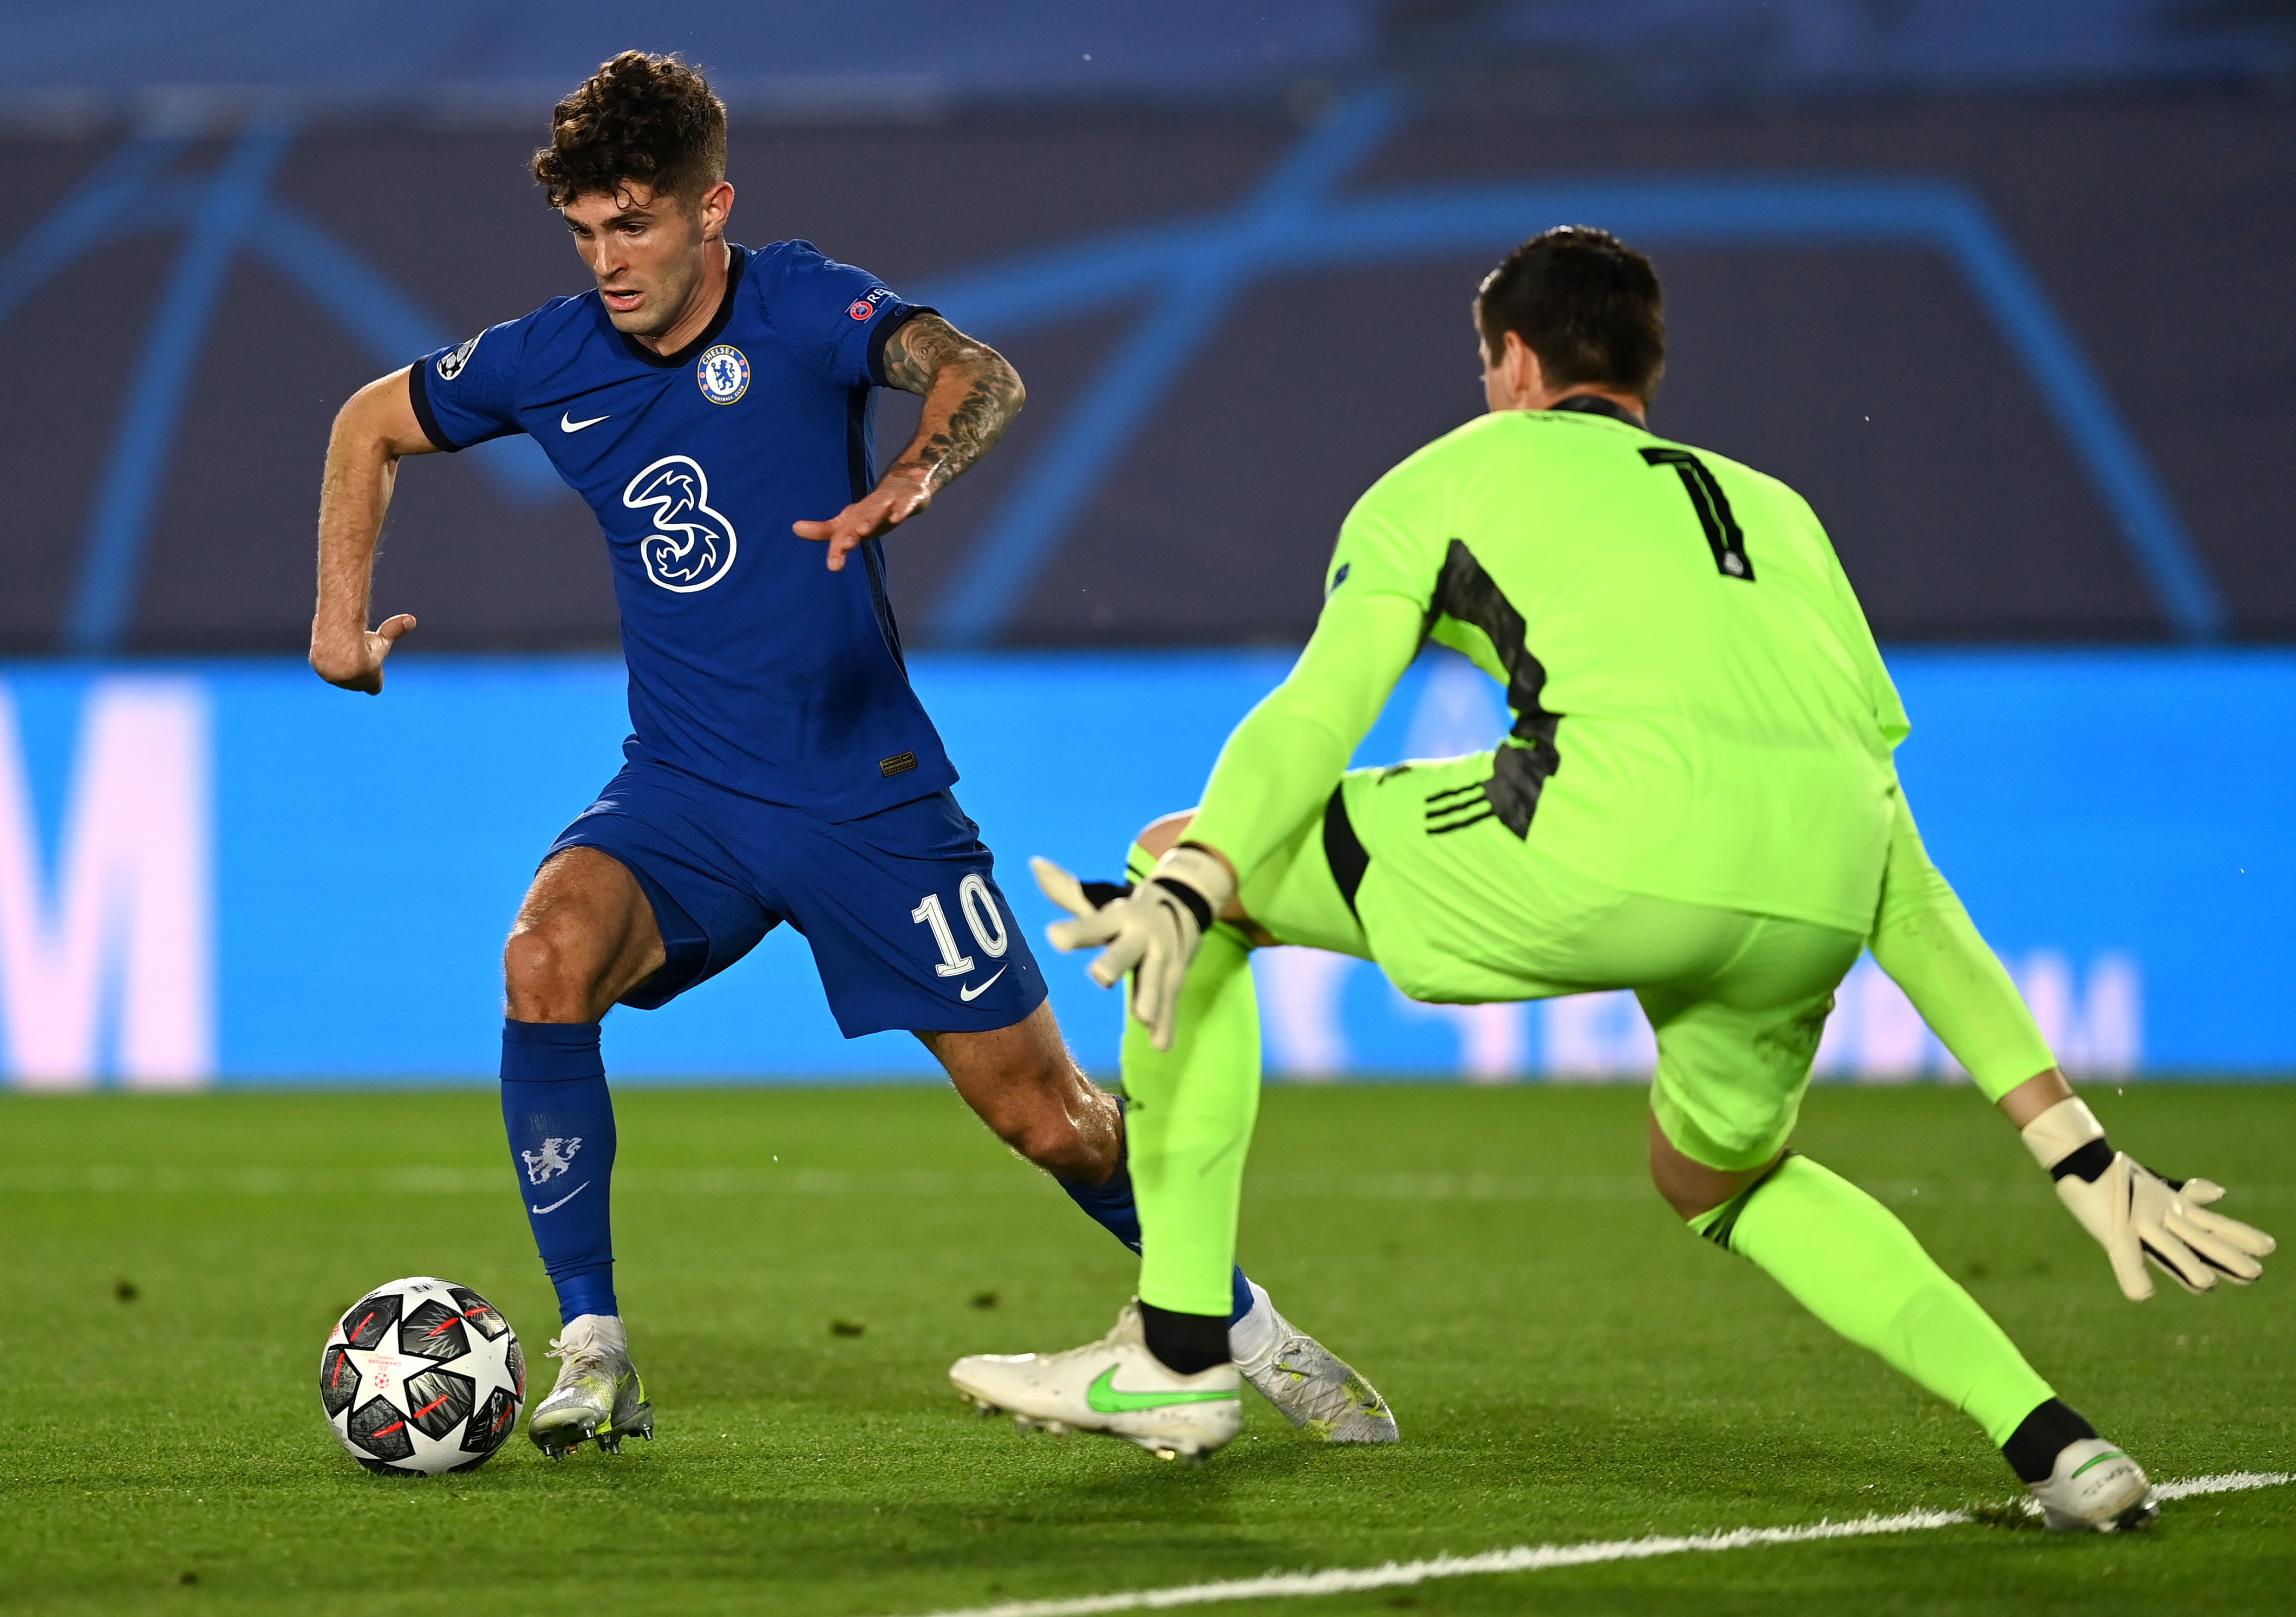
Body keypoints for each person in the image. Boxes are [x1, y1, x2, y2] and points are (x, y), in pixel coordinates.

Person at [948, 226, 2275, 1518]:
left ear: (1514, 360)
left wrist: (1198, 879)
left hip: (1605, 839)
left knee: (1180, 861)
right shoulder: (1781, 515)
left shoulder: (1452, 474)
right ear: (1643, 367)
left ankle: (1182, 1352)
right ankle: (2057, 1442)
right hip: (1815, 889)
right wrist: (2074, 1146)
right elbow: (1899, 867)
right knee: (1723, 1177)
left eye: (1488, 367)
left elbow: (1321, 705)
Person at [308, 51, 1393, 1458]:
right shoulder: (549, 356)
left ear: (713, 208)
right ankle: (592, 1344)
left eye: (632, 225)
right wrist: (339, 619)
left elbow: (972, 371)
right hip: (682, 793)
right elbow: (368, 421)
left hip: (862, 797)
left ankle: (1230, 1319)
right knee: (543, 952)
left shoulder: (804, 302)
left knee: (1052, 1119)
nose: (607, 261)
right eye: (583, 232)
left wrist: (910, 476)